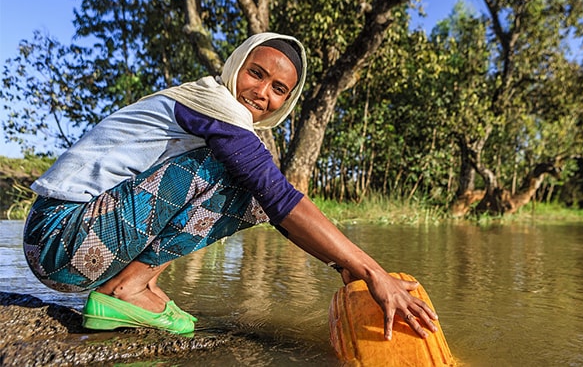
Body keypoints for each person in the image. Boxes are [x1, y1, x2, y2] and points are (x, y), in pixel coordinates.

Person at [23, 32, 438, 340]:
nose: (262, 93)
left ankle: (135, 284)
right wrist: (373, 271)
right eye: (255, 74)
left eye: (279, 89)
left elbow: (275, 208)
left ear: (288, 101)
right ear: (235, 67)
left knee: (249, 186)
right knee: (240, 177)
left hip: (76, 244)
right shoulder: (212, 104)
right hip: (60, 238)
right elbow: (278, 197)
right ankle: (126, 289)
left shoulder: (219, 118)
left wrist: (346, 268)